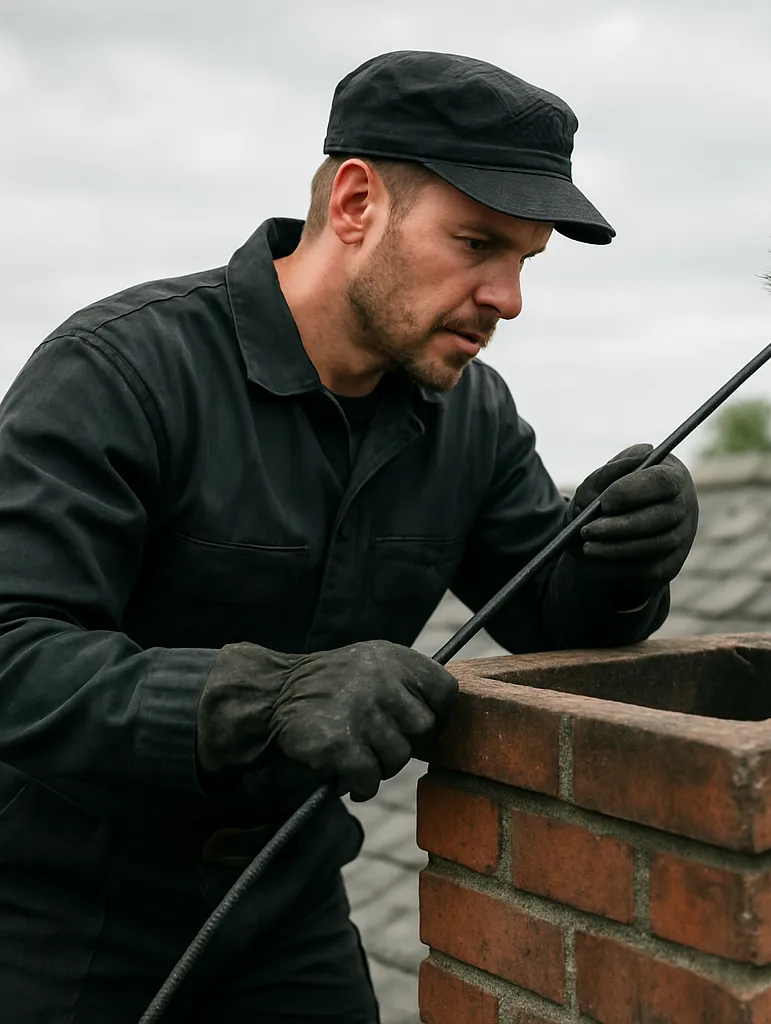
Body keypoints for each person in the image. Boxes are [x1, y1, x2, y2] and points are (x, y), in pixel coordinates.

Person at [0, 50, 698, 1022]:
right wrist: (265, 695)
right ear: (357, 203)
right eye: (476, 244)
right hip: (54, 915)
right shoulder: (118, 372)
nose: (509, 299)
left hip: (288, 906)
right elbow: (16, 655)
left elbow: (554, 619)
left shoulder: (475, 420)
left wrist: (628, 561)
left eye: (524, 261)